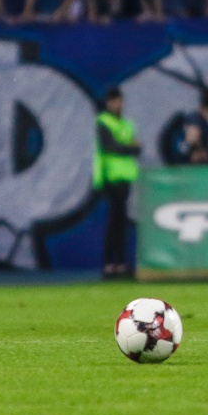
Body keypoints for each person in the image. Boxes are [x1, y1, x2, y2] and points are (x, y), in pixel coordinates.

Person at [92, 87, 141, 278]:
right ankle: (110, 263)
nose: (117, 104)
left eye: (119, 101)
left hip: (126, 176)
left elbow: (136, 147)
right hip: (111, 176)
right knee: (115, 220)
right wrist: (129, 147)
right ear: (108, 103)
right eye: (113, 101)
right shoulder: (104, 121)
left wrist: (128, 147)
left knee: (120, 220)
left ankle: (119, 263)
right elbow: (111, 147)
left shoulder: (127, 123)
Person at [180, 86, 208, 165]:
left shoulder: (205, 122)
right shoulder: (194, 119)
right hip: (197, 169)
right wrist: (201, 151)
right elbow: (192, 138)